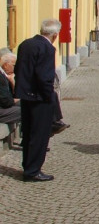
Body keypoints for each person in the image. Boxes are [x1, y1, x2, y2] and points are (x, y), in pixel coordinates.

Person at [14, 18, 62, 181]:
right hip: (40, 97)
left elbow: (19, 68)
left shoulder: (25, 44)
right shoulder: (47, 48)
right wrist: (49, 97)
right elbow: (44, 76)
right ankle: (33, 170)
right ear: (55, 35)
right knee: (40, 135)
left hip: (26, 95)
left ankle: (28, 165)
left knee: (28, 132)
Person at [0, 52, 21, 141]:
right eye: (14, 65)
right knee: (28, 109)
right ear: (5, 65)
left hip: (3, 106)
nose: (15, 68)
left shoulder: (5, 75)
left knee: (30, 104)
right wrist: (17, 100)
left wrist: (12, 83)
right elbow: (6, 101)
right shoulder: (1, 77)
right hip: (1, 109)